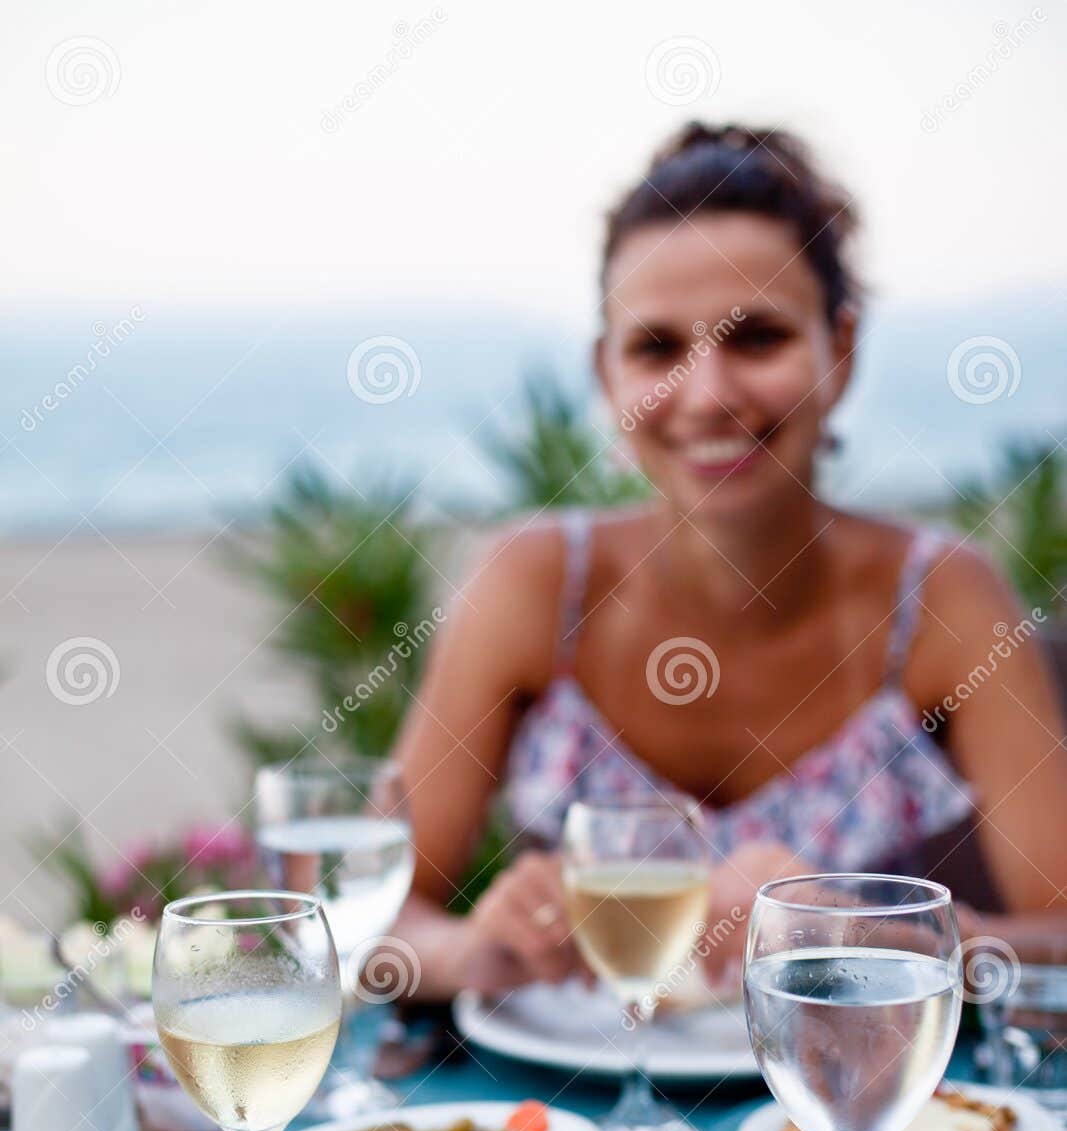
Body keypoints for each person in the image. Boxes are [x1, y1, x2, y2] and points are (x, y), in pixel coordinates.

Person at [392, 123, 1067, 999]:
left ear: (843, 349)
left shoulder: (945, 597)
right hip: (568, 1123)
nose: (705, 396)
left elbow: (1056, 937)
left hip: (854, 1121)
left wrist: (871, 939)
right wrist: (472, 953)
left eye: (755, 337)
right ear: (606, 376)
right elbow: (374, 922)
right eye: (657, 348)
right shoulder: (530, 586)